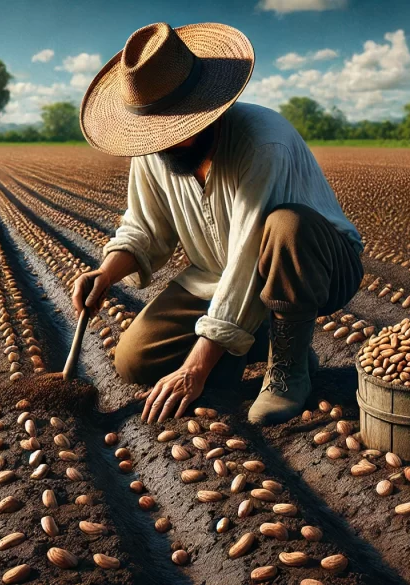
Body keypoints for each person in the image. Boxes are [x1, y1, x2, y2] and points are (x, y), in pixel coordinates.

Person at [73, 22, 363, 425]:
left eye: (177, 130)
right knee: (135, 360)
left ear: (209, 111)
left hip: (314, 265)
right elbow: (145, 227)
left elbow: (247, 258)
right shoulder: (152, 148)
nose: (167, 143)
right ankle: (259, 339)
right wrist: (106, 273)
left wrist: (196, 369)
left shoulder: (263, 143)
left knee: (286, 225)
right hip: (217, 273)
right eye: (157, 133)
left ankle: (288, 368)